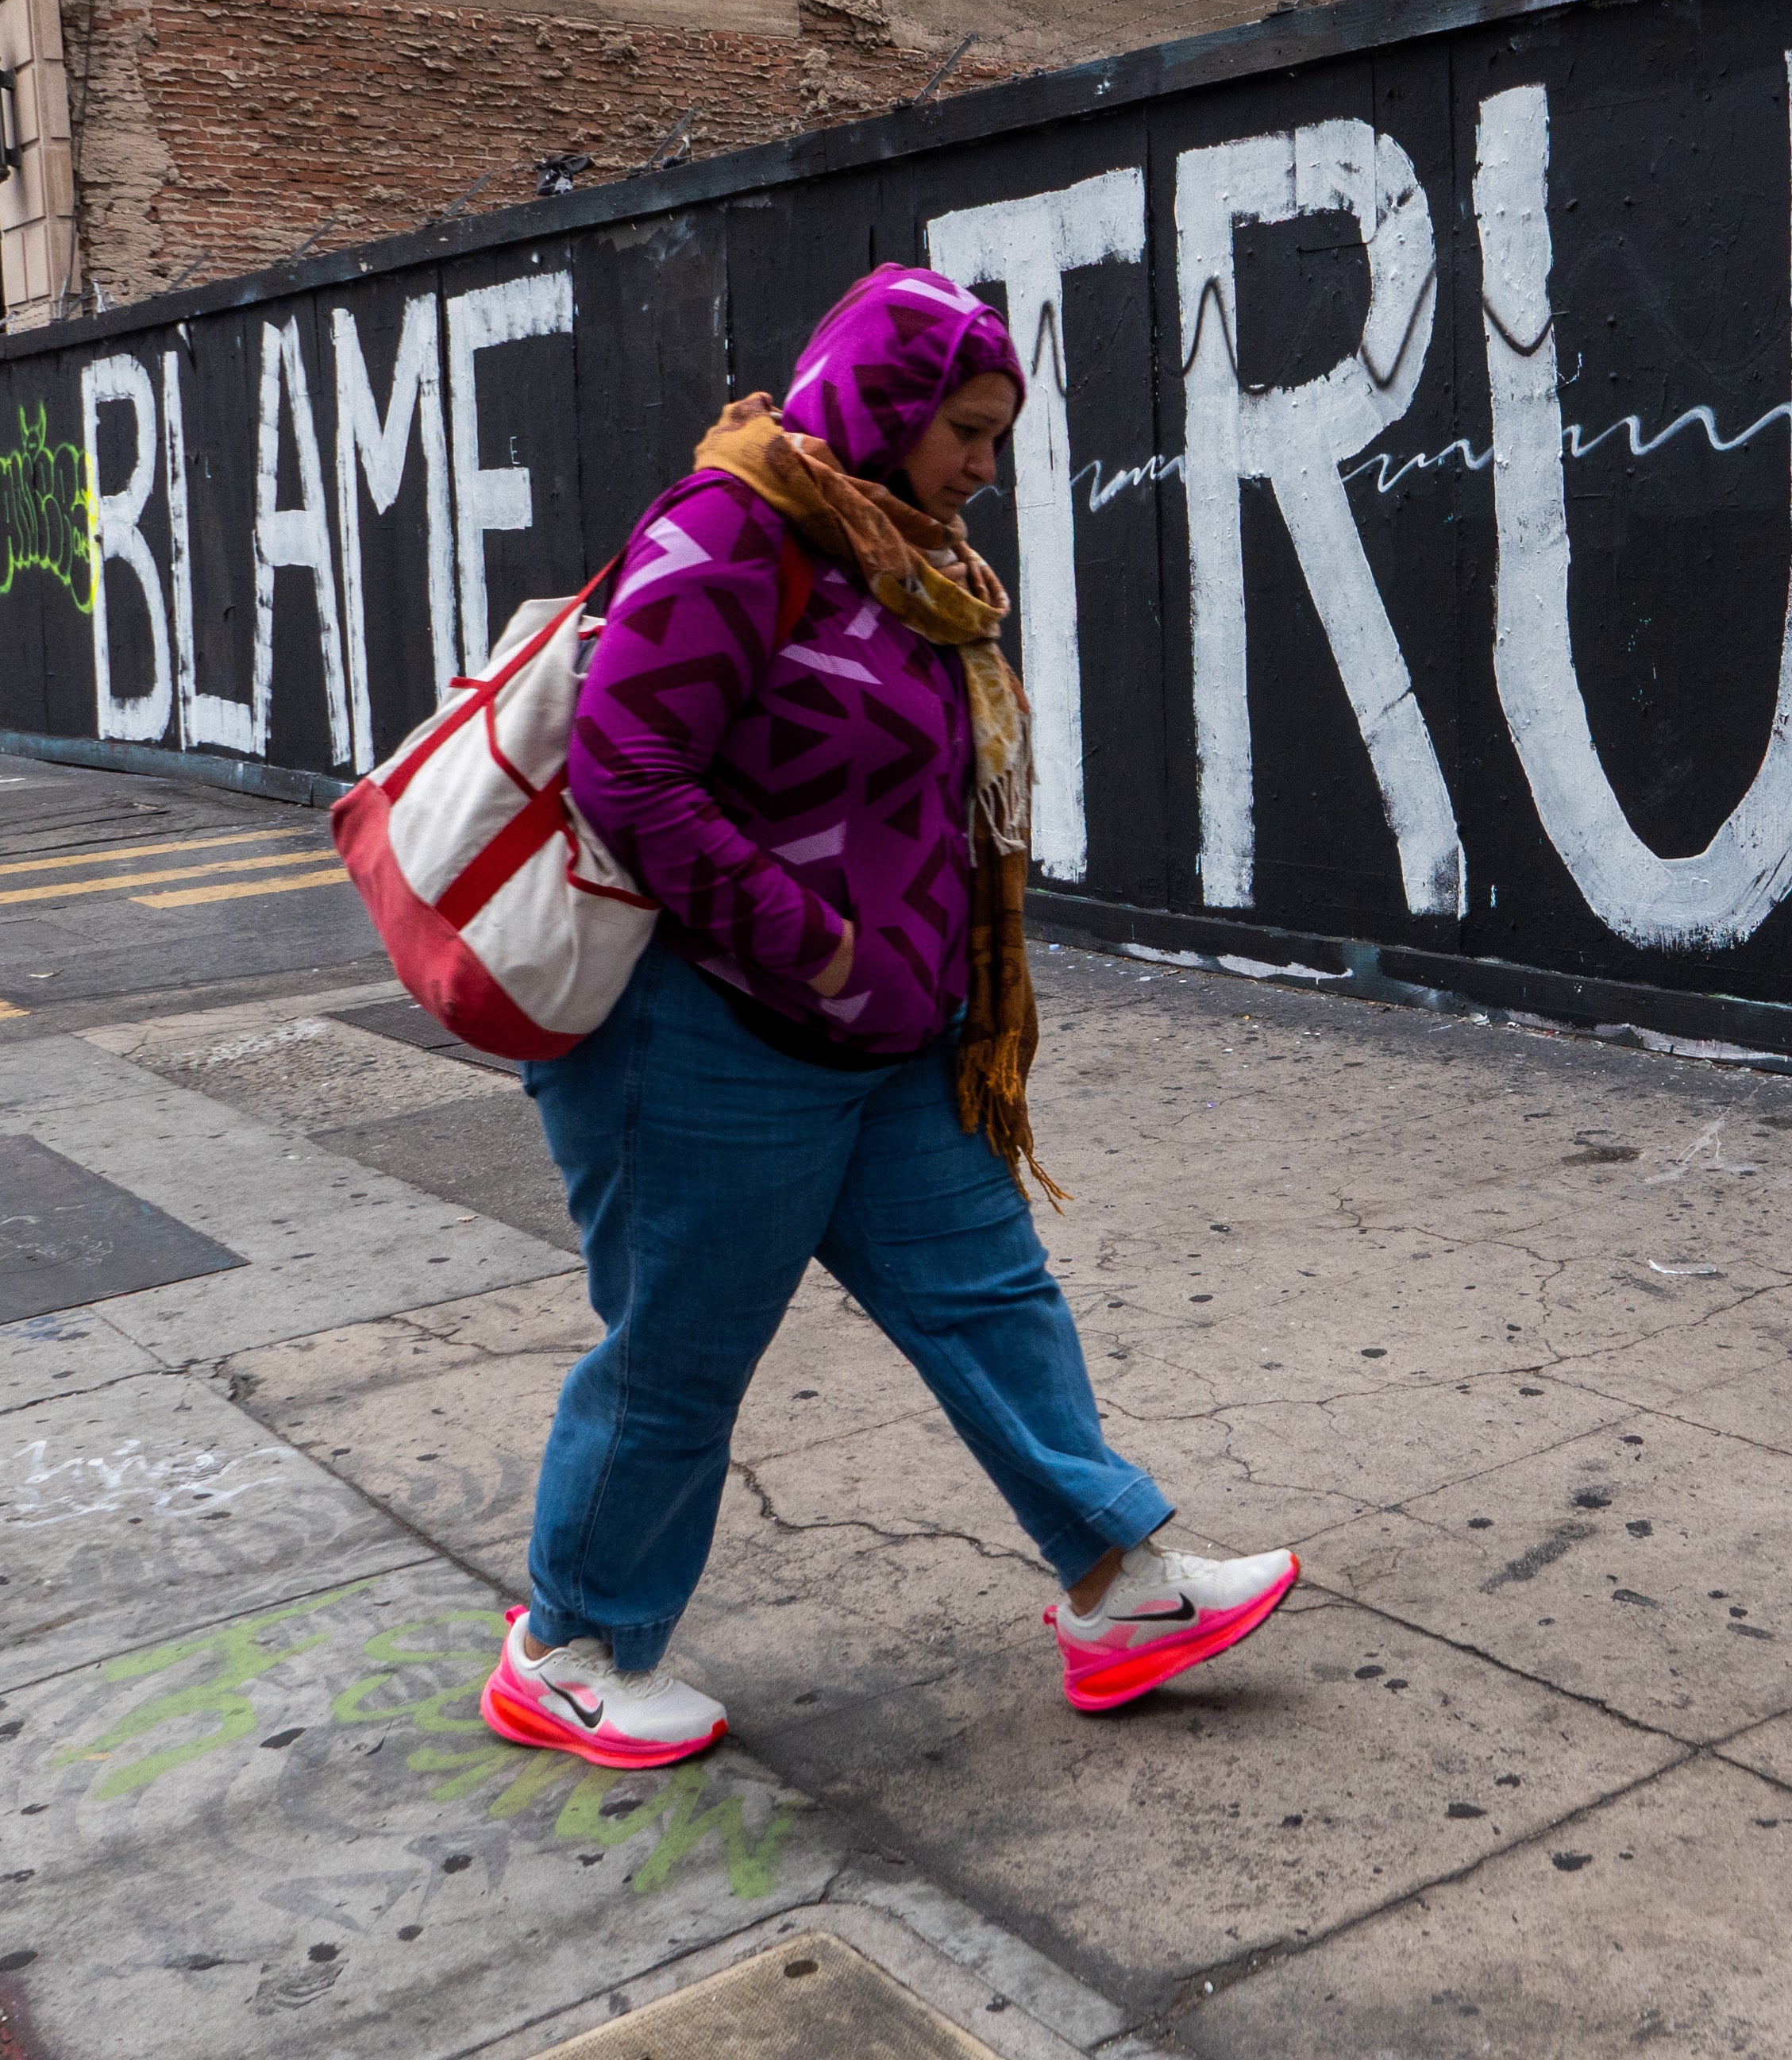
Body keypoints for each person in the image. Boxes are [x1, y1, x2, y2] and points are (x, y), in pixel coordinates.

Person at [481, 264, 1297, 1768]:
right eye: (967, 433)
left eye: (995, 436)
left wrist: (907, 982)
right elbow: (630, 775)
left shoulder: (898, 557)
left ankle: (1119, 1586)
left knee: (994, 1300)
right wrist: (823, 949)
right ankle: (570, 1645)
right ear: (884, 404)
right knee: (678, 1354)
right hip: (714, 1041)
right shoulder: (728, 530)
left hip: (890, 1040)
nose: (985, 467)